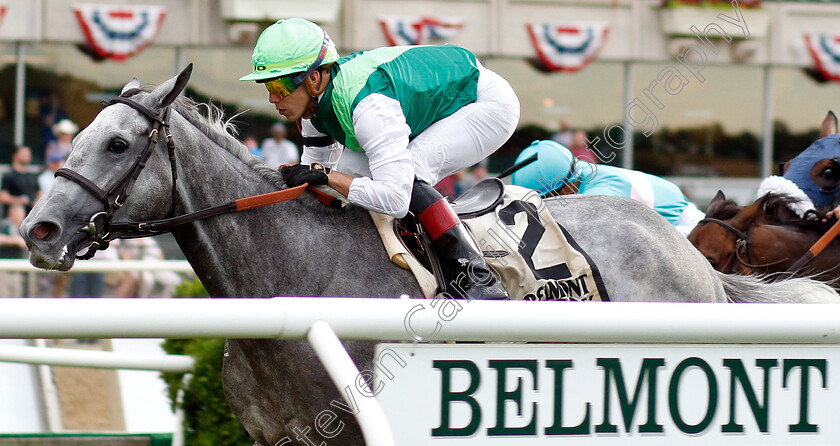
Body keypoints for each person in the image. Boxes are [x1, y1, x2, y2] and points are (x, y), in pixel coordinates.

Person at [240, 18, 520, 299]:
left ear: (313, 79)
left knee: (410, 175)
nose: (272, 99)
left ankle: (474, 276)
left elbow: (395, 199)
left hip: (486, 103)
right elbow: (319, 187)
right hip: (431, 101)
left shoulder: (370, 107)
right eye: (268, 86)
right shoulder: (314, 109)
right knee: (349, 175)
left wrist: (327, 176)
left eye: (279, 87)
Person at [512, 140, 705, 236]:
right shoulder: (574, 172)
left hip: (685, 226)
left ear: (566, 189)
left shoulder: (597, 195)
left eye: (545, 199)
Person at [0, 145, 40, 215]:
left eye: (29, 154)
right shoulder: (9, 176)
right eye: (24, 154)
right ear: (15, 156)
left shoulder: (32, 176)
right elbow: (3, 197)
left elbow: (39, 192)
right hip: (16, 211)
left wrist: (37, 201)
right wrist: (19, 200)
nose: (28, 156)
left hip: (32, 210)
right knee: (18, 209)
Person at [0, 204, 27, 297]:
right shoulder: (4, 225)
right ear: (11, 213)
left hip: (17, 272)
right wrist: (14, 241)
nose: (19, 217)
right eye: (17, 214)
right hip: (3, 271)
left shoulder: (23, 229)